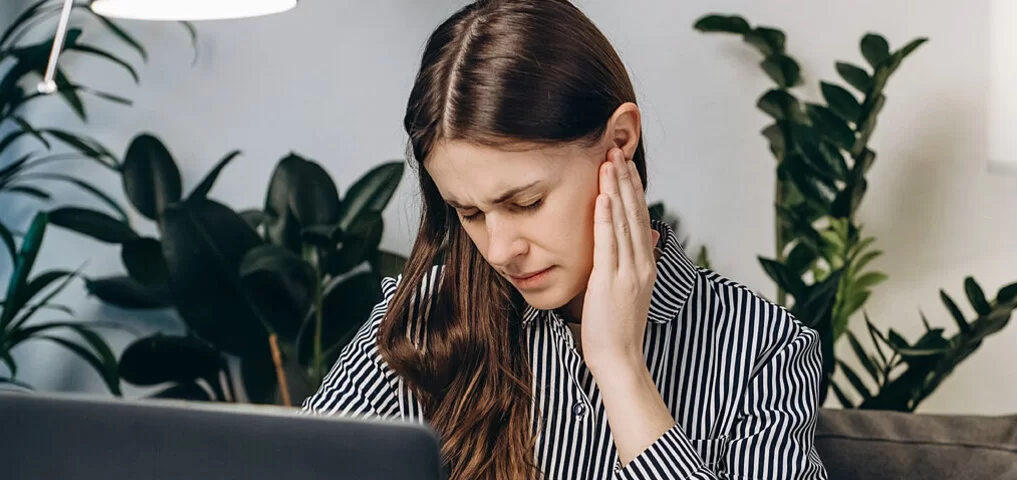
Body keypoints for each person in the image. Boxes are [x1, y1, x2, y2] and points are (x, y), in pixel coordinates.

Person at [302, 1, 828, 478]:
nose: (500, 249)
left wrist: (621, 371)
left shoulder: (764, 352)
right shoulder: (423, 317)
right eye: (470, 213)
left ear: (619, 142)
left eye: (525, 202)